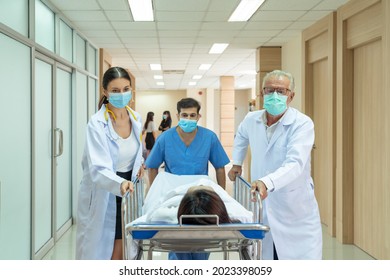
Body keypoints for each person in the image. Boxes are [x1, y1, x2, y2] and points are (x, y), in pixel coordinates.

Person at [228, 69, 322, 260]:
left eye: (281, 91)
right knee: (266, 256)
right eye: (269, 90)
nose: (274, 96)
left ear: (291, 95)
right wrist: (237, 162)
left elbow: (295, 163)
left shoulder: (302, 124)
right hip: (262, 203)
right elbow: (241, 136)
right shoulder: (251, 119)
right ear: (262, 93)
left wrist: (267, 182)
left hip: (294, 206)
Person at [76, 66, 144, 260]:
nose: (121, 94)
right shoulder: (97, 123)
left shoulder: (136, 118)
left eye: (125, 89)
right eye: (115, 90)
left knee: (125, 245)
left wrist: (139, 165)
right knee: (104, 249)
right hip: (105, 189)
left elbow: (134, 153)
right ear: (105, 92)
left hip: (129, 189)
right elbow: (98, 168)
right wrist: (119, 184)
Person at [145, 97, 230, 189]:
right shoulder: (165, 138)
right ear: (178, 116)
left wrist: (222, 194)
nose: (188, 119)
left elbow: (220, 167)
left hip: (199, 191)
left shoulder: (209, 137)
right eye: (184, 115)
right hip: (172, 190)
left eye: (192, 115)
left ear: (198, 117)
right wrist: (154, 193)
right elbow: (152, 167)